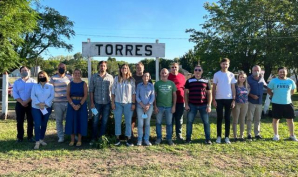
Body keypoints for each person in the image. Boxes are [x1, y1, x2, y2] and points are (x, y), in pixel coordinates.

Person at [267, 67, 297, 141]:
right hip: (276, 103)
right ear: (278, 73)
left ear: (286, 72)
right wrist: (273, 95)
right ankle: (276, 135)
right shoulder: (273, 81)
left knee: (290, 119)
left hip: (288, 103)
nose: (282, 73)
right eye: (280, 72)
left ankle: (292, 135)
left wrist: (287, 96)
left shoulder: (290, 81)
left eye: (284, 72)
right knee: (275, 119)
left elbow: (293, 91)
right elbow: (269, 90)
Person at [184, 65, 212, 144]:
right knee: (189, 122)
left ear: (202, 71)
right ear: (194, 71)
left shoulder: (206, 81)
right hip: (192, 105)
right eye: (196, 70)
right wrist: (186, 104)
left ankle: (208, 139)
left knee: (206, 122)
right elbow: (185, 93)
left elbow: (209, 93)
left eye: (199, 70)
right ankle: (188, 138)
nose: (197, 71)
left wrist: (209, 105)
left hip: (203, 105)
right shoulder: (189, 81)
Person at [212, 58, 236, 144]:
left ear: (228, 65)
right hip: (219, 99)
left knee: (227, 118)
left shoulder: (231, 75)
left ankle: (226, 137)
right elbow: (214, 87)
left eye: (226, 64)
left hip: (229, 99)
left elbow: (233, 88)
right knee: (219, 118)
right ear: (220, 64)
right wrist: (213, 99)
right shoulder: (216, 74)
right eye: (223, 64)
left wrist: (234, 100)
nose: (224, 65)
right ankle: (218, 136)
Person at [111, 64, 136, 147]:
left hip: (128, 104)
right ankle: (117, 138)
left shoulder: (131, 80)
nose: (124, 69)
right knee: (117, 121)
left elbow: (133, 93)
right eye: (123, 68)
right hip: (118, 103)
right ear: (120, 70)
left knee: (128, 122)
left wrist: (133, 103)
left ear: (128, 69)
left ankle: (128, 139)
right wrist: (113, 102)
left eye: (126, 68)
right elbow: (113, 92)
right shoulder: (116, 79)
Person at [89, 61, 114, 144]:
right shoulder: (94, 77)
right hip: (96, 103)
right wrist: (92, 103)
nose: (102, 67)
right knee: (95, 120)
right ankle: (93, 138)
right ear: (99, 67)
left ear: (106, 67)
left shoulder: (110, 77)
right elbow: (91, 91)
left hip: (107, 103)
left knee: (104, 121)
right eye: (101, 66)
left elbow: (112, 91)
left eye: (104, 66)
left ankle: (101, 138)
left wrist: (112, 102)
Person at [31, 71, 54, 149]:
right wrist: (39, 103)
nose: (41, 77)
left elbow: (52, 96)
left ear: (46, 76)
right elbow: (32, 96)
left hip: (46, 107)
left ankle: (41, 139)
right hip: (36, 108)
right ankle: (37, 141)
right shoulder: (35, 86)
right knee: (37, 124)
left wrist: (44, 104)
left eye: (43, 76)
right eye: (40, 76)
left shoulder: (50, 86)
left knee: (44, 124)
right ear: (38, 78)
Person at [13, 66, 36, 142]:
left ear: (29, 71)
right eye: (22, 71)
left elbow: (34, 93)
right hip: (20, 104)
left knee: (30, 121)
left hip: (30, 104)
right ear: (20, 72)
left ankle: (30, 137)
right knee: (20, 121)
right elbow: (15, 93)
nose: (24, 72)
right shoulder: (17, 82)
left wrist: (27, 101)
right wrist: (22, 102)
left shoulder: (33, 82)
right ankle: (20, 137)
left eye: (26, 70)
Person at [50, 63, 72, 143]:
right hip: (57, 102)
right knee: (59, 120)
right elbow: (50, 89)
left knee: (68, 120)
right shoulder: (53, 78)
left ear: (65, 69)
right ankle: (60, 136)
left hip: (68, 102)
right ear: (58, 68)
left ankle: (70, 135)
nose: (61, 68)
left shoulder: (69, 77)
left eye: (63, 67)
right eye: (60, 67)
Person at [65, 69, 88, 146]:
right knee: (72, 121)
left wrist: (79, 105)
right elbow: (67, 95)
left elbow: (85, 95)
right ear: (73, 74)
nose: (77, 74)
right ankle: (72, 140)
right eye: (75, 73)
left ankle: (79, 140)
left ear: (80, 74)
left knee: (80, 121)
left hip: (81, 104)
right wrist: (72, 104)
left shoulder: (84, 84)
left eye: (78, 73)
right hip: (72, 104)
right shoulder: (70, 84)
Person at [154, 68, 177, 145]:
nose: (164, 74)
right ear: (160, 74)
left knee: (169, 123)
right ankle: (159, 138)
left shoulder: (171, 83)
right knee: (158, 123)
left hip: (169, 107)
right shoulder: (157, 84)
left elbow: (174, 95)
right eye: (162, 73)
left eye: (165, 73)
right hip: (159, 107)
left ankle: (169, 139)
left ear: (168, 74)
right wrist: (155, 106)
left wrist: (174, 106)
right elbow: (154, 96)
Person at [132, 62, 152, 140]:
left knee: (144, 119)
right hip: (134, 101)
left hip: (145, 103)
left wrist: (149, 104)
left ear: (143, 68)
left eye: (140, 67)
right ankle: (132, 135)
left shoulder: (148, 79)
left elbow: (152, 92)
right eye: (137, 67)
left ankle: (144, 134)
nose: (139, 69)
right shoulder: (132, 77)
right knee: (133, 118)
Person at [246, 65, 267, 141]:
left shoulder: (262, 78)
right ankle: (249, 134)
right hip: (251, 101)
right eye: (255, 70)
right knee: (249, 118)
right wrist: (251, 95)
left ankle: (257, 134)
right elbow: (245, 90)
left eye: (258, 70)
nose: (256, 71)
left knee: (258, 119)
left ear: (260, 70)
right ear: (252, 71)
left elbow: (266, 86)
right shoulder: (248, 79)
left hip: (259, 102)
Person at [136, 72, 155, 146]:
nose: (146, 77)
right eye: (144, 76)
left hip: (149, 108)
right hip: (140, 107)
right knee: (140, 124)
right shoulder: (139, 86)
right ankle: (139, 140)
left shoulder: (151, 86)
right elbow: (137, 96)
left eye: (147, 76)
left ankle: (146, 139)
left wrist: (148, 105)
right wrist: (143, 106)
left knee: (147, 124)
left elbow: (152, 97)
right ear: (142, 77)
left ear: (149, 77)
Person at [168, 62, 186, 141]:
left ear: (178, 68)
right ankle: (169, 134)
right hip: (169, 101)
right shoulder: (167, 76)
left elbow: (185, 88)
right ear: (170, 68)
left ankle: (179, 134)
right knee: (170, 119)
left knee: (179, 119)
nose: (174, 68)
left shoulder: (182, 77)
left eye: (175, 67)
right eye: (172, 67)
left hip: (180, 100)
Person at [231, 71, 249, 141]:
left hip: (245, 104)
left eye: (244, 77)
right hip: (237, 104)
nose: (242, 78)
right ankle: (235, 136)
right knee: (235, 120)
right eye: (241, 77)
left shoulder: (247, 86)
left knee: (242, 120)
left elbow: (247, 94)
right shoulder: (235, 85)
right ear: (238, 78)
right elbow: (233, 94)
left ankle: (241, 136)